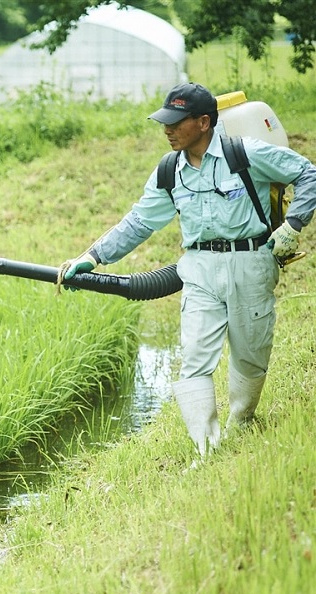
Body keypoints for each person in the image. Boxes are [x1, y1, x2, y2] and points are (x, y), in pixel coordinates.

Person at [58, 82, 316, 462]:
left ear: (204, 122)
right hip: (199, 269)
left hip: (251, 262)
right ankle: (207, 448)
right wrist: (94, 257)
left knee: (250, 355)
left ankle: (242, 422)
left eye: (177, 122)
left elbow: (308, 174)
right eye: (165, 122)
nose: (168, 129)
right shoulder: (169, 171)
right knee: (194, 358)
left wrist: (292, 225)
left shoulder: (244, 154)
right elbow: (139, 222)